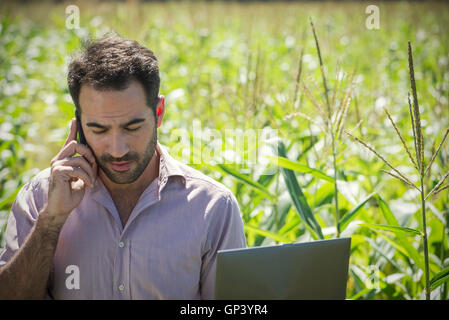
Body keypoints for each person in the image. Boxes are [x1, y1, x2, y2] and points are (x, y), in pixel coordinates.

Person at [0, 36, 247, 299]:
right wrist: (50, 222)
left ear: (159, 112)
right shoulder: (40, 198)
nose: (117, 149)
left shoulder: (213, 208)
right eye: (99, 129)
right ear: (79, 124)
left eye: (132, 127)